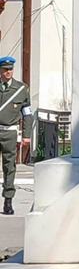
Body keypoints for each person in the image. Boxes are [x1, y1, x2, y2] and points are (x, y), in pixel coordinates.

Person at [0, 57, 33, 215]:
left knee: (9, 167)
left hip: (9, 132)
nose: (8, 72)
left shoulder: (21, 89)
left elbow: (27, 114)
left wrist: (26, 135)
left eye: (10, 69)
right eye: (5, 69)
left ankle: (8, 200)